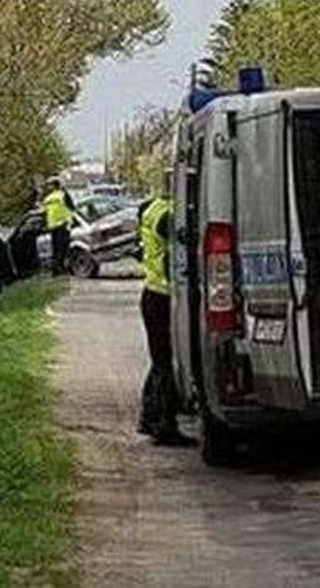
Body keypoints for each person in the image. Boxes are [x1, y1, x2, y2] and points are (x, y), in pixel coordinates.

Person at [137, 177, 195, 447]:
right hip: (163, 296)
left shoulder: (152, 208)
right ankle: (164, 425)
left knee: (159, 358)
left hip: (151, 291)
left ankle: (149, 417)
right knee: (165, 363)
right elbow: (178, 252)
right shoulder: (171, 215)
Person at [41, 178, 76, 276]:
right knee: (62, 249)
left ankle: (57, 270)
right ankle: (60, 269)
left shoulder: (47, 198)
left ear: (53, 186)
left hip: (56, 226)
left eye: (50, 185)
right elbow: (72, 208)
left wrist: (45, 226)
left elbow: (44, 214)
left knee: (57, 249)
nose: (48, 187)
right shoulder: (62, 195)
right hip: (61, 225)